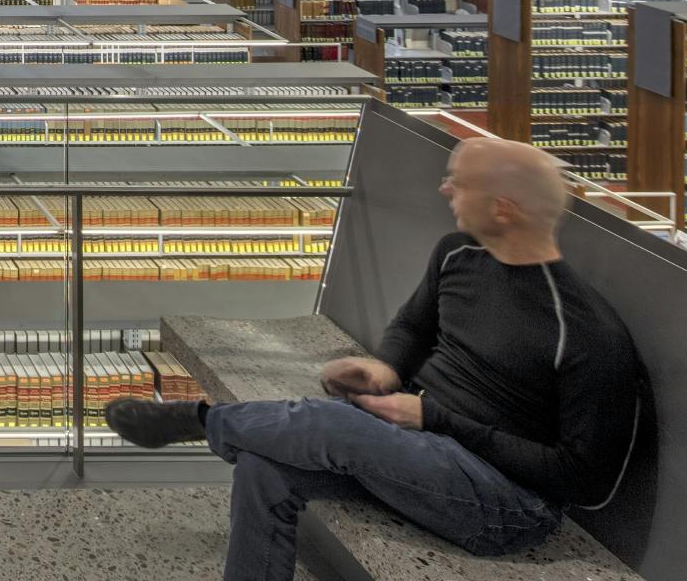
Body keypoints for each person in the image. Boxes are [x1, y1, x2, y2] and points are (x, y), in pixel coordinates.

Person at [105, 138, 642, 581]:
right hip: (417, 449)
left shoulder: (586, 331)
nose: (444, 187)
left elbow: (585, 481)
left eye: (460, 181)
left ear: (504, 207)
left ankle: (197, 420)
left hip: (504, 505)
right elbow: (413, 328)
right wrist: (384, 369)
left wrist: (435, 418)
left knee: (333, 423)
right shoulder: (457, 253)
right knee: (265, 467)